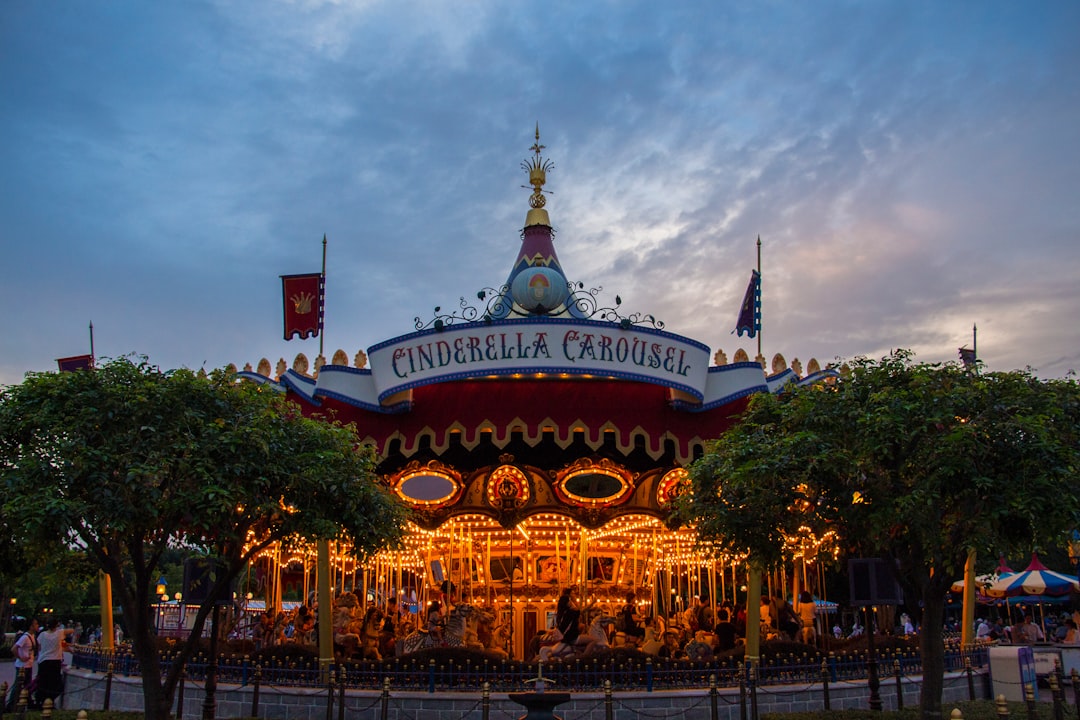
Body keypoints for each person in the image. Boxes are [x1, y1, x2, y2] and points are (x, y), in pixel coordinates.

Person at [36, 617, 70, 708]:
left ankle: (41, 701)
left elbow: (39, 647)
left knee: (43, 682)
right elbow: (71, 630)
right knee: (54, 683)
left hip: (43, 661)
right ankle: (50, 700)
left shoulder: (42, 634)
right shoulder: (58, 633)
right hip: (54, 661)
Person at [5, 618, 38, 711]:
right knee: (18, 685)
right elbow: (14, 648)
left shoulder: (32, 636)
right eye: (35, 624)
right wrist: (20, 657)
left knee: (27, 685)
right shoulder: (25, 637)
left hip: (28, 665)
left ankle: (26, 702)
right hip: (22, 666)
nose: (37, 626)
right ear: (31, 626)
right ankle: (10, 705)